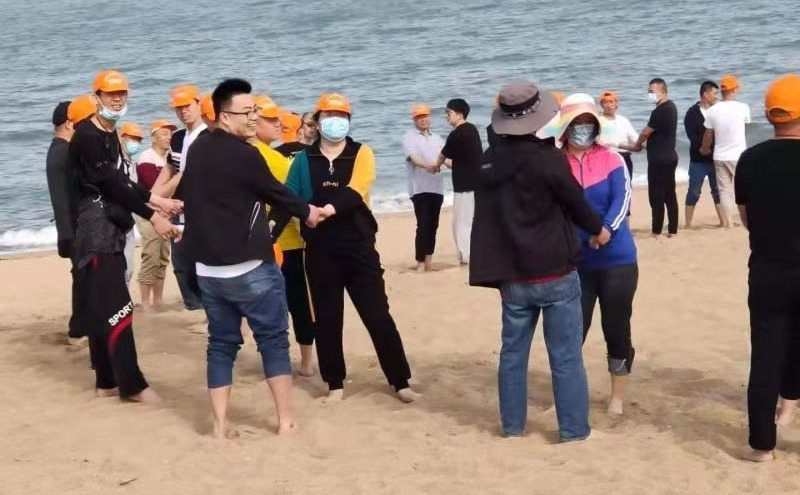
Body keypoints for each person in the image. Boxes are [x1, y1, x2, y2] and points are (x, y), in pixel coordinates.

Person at [176, 78, 322, 437]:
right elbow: (276, 193)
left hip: (209, 270)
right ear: (225, 117)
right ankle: (285, 420)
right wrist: (309, 212)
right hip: (250, 267)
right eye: (247, 112)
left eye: (255, 110)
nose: (254, 117)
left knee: (220, 344)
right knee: (273, 340)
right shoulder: (246, 154)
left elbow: (190, 194)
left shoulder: (198, 148)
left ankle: (219, 423)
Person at [470, 80, 609, 441]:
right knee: (565, 357)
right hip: (555, 270)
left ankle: (513, 428)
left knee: (513, 355)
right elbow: (576, 203)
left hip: (513, 273)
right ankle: (573, 431)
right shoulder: (549, 159)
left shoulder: (488, 162)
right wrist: (598, 230)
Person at [273, 93, 417, 403]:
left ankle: (400, 381)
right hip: (319, 250)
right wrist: (270, 234)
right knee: (327, 318)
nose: (335, 122)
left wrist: (324, 211)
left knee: (377, 314)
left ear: (349, 121)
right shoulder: (303, 160)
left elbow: (356, 190)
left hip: (358, 247)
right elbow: (289, 198)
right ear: (318, 121)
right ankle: (335, 384)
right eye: (329, 116)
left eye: (341, 116)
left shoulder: (361, 153)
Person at [70, 69, 181, 402]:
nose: (118, 99)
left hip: (111, 232)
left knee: (102, 307)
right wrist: (153, 216)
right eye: (110, 94)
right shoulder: (87, 135)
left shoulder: (109, 132)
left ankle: (106, 382)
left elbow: (122, 181)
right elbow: (110, 185)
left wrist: (156, 199)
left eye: (122, 93)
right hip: (95, 236)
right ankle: (132, 386)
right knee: (119, 308)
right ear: (97, 97)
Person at [555, 93, 638, 415]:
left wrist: (606, 231)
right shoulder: (555, 162)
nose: (583, 128)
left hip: (617, 260)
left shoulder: (612, 158)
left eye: (588, 122)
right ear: (565, 127)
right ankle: (568, 392)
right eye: (576, 123)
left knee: (616, 329)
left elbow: (623, 199)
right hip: (575, 261)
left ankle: (617, 396)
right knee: (572, 330)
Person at [735, 74, 800, 462]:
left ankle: (762, 447)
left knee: (765, 358)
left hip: (768, 270)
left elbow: (747, 218)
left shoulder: (750, 159)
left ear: (768, 114)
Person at [253, 96, 316, 376]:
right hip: (284, 243)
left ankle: (281, 360)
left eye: (278, 120)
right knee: (297, 304)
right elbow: (298, 199)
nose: (277, 124)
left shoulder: (264, 154)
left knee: (271, 306)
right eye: (270, 120)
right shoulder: (272, 158)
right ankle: (304, 362)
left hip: (267, 242)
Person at [152, 84, 207, 311]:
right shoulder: (177, 138)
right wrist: (154, 197)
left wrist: (159, 196)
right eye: (179, 107)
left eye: (187, 105)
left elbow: (187, 176)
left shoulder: (208, 135)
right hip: (178, 210)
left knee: (203, 264)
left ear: (198, 104)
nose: (183, 111)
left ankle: (208, 311)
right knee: (182, 264)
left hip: (202, 210)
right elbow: (168, 170)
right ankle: (193, 307)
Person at [621, 78, 679, 237]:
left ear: (662, 91)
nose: (649, 94)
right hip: (668, 156)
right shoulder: (671, 107)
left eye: (651, 91)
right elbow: (659, 135)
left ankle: (656, 231)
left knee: (657, 196)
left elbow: (646, 132)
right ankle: (672, 229)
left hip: (660, 159)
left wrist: (636, 144)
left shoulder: (661, 110)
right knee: (669, 194)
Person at [135, 119, 177, 312]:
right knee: (151, 255)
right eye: (164, 134)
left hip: (166, 212)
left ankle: (158, 300)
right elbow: (153, 188)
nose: (169, 137)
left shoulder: (169, 158)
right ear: (153, 137)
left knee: (162, 256)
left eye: (170, 134)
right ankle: (145, 303)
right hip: (148, 213)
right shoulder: (147, 158)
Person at [436, 98, 482, 265]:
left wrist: (435, 166)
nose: (446, 116)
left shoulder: (456, 134)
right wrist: (444, 164)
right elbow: (462, 161)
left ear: (459, 114)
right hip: (477, 183)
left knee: (461, 223)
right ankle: (472, 254)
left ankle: (466, 257)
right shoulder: (473, 130)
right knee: (471, 220)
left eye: (449, 112)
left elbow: (442, 155)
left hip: (464, 186)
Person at [701, 75, 751, 228]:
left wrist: (705, 148)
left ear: (722, 91)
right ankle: (745, 219)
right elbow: (745, 126)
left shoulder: (712, 110)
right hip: (738, 155)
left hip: (720, 155)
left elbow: (708, 133)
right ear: (734, 90)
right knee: (742, 188)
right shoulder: (743, 108)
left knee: (724, 191)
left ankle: (728, 222)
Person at [402, 104, 445, 272]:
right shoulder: (409, 137)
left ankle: (428, 261)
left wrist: (462, 166)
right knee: (424, 225)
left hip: (437, 187)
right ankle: (420, 263)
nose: (423, 120)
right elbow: (413, 159)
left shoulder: (437, 138)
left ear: (429, 117)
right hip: (419, 188)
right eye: (419, 117)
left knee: (434, 225)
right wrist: (430, 166)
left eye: (425, 116)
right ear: (414, 119)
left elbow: (446, 159)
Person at [684, 81, 725, 228]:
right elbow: (691, 135)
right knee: (694, 192)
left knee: (717, 191)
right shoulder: (692, 113)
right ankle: (688, 223)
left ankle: (723, 221)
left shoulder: (718, 110)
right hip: (698, 160)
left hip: (716, 158)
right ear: (705, 94)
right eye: (714, 93)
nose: (716, 96)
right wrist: (702, 148)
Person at [119, 122, 145, 285]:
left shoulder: (131, 164)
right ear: (122, 138)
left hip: (129, 221)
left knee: (128, 269)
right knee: (123, 269)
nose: (135, 142)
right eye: (132, 138)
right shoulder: (117, 161)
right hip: (118, 223)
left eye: (138, 139)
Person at [597, 91, 639, 180]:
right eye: (605, 102)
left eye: (611, 102)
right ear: (601, 105)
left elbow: (636, 139)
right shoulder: (598, 121)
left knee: (626, 185)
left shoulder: (623, 120)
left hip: (624, 158)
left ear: (616, 104)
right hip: (605, 158)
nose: (608, 105)